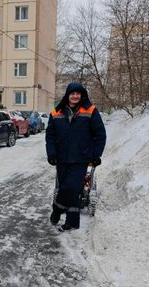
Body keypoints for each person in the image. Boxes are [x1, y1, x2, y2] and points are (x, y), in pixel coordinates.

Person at [45, 82, 106, 231]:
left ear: (82, 95)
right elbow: (50, 136)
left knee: (71, 187)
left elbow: (100, 135)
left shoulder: (91, 111)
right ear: (67, 95)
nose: (75, 96)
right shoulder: (56, 113)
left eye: (78, 93)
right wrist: (51, 153)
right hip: (62, 157)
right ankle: (71, 223)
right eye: (72, 93)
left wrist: (96, 155)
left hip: (81, 158)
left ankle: (57, 209)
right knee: (70, 190)